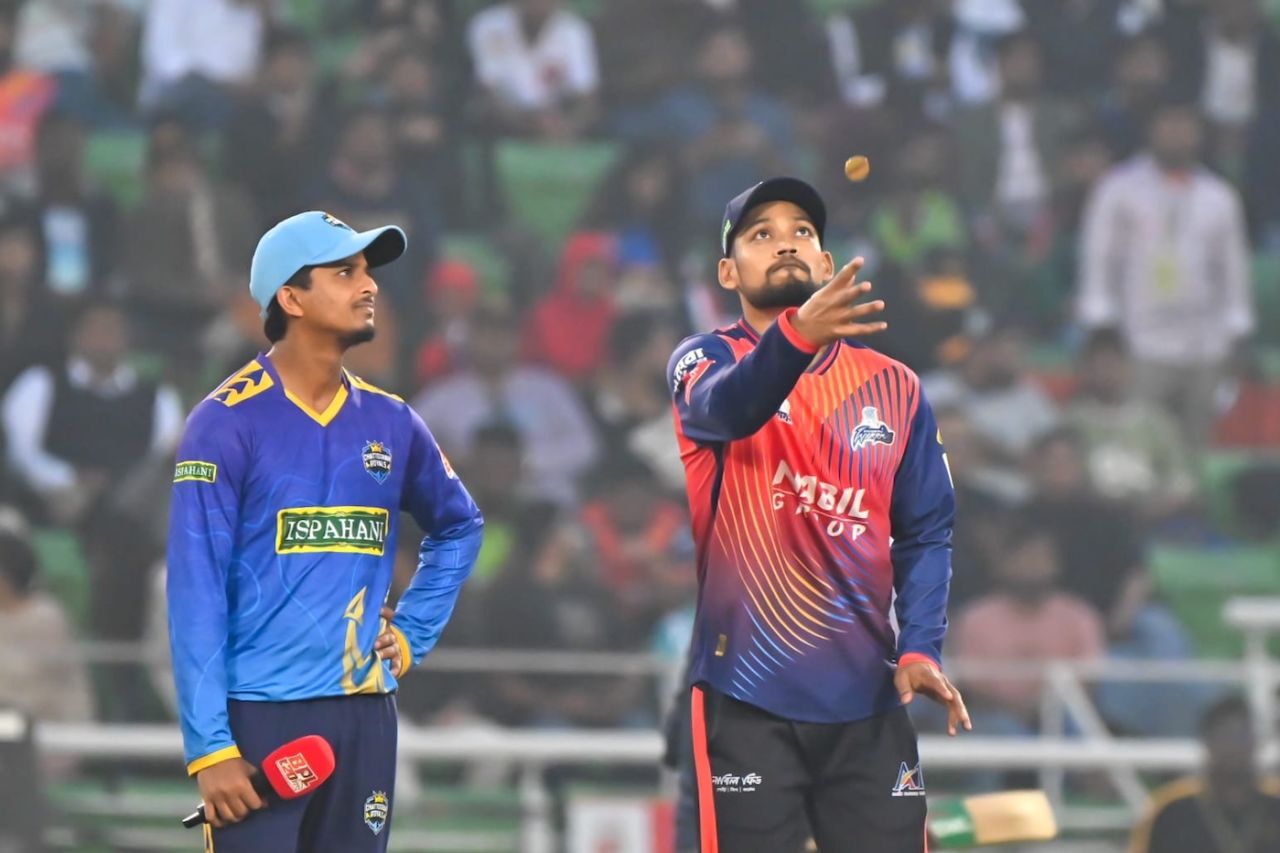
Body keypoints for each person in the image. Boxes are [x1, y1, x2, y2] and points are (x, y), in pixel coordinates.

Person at [666, 177, 969, 852]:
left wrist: (921, 645)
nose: (785, 244)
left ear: (826, 262)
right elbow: (729, 408)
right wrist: (798, 336)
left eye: (801, 231)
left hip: (868, 701)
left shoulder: (897, 386)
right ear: (728, 272)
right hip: (745, 695)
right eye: (760, 234)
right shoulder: (704, 359)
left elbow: (927, 532)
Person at [166, 211, 484, 851]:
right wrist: (210, 749)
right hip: (259, 720)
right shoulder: (224, 423)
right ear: (290, 297)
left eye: (367, 272)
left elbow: (460, 526)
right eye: (344, 273)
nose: (369, 286)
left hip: (366, 717)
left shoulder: (393, 422)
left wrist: (412, 632)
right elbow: (195, 591)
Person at [1130, 694, 1280, 853]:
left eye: (1242, 735)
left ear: (1256, 742)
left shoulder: (1274, 803)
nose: (1235, 746)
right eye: (1226, 735)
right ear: (1207, 741)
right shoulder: (1170, 810)